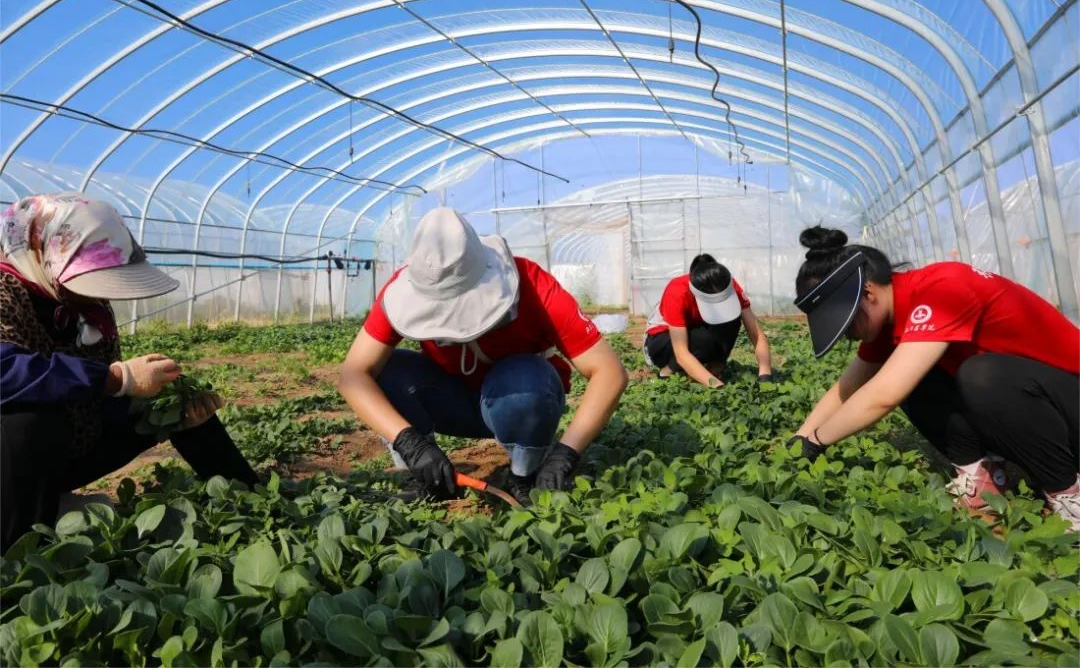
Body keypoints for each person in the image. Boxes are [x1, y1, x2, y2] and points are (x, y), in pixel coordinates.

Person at [1, 193, 259, 552]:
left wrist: (173, 410)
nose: (99, 295)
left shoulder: (85, 307)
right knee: (30, 417)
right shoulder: (5, 292)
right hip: (13, 461)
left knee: (169, 399)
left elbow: (100, 397)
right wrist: (115, 379)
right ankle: (16, 552)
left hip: (61, 454)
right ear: (43, 255)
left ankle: (254, 499)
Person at [790, 226, 1079, 530]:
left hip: (1070, 400)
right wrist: (799, 441)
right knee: (912, 373)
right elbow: (849, 386)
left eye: (848, 324)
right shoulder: (888, 319)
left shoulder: (943, 288)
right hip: (1041, 417)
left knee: (981, 375)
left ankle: (1068, 493)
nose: (849, 335)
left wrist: (817, 442)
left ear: (869, 292)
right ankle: (983, 482)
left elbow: (884, 396)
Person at [337, 207, 628, 505]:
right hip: (453, 401)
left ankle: (524, 474)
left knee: (526, 378)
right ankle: (427, 476)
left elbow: (609, 372)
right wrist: (409, 443)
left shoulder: (531, 284)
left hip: (519, 402)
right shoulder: (404, 287)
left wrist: (565, 454)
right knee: (389, 371)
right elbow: (353, 375)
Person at [643, 253, 773, 387]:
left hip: (697, 334)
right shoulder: (678, 291)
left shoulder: (729, 286)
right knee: (703, 340)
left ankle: (714, 369)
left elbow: (756, 334)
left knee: (732, 322)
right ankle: (667, 371)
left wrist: (765, 376)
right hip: (661, 341)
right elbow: (681, 352)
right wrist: (716, 386)